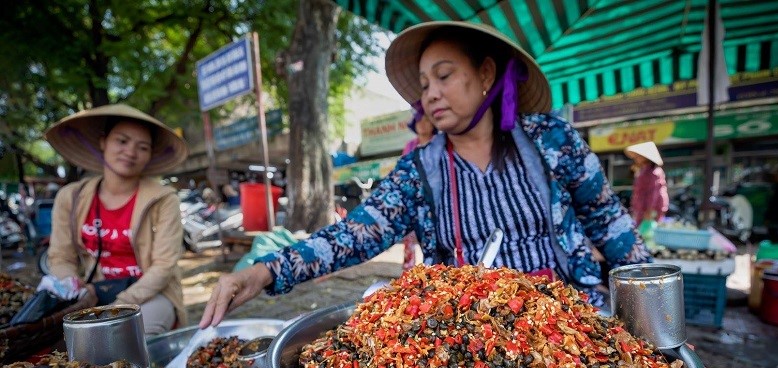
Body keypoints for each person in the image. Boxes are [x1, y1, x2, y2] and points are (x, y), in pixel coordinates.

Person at [200, 21, 650, 328]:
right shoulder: (419, 171)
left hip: (573, 325)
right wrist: (263, 272)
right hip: (468, 333)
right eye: (424, 83)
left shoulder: (552, 140)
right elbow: (355, 234)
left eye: (445, 76)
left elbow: (610, 226)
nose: (431, 94)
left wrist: (653, 316)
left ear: (487, 73)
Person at [45, 103, 189, 335]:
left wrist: (118, 306)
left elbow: (163, 266)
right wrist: (75, 286)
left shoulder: (163, 199)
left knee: (128, 338)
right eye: (122, 141)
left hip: (151, 293)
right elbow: (60, 256)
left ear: (150, 154)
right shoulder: (71, 197)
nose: (131, 152)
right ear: (103, 142)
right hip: (96, 292)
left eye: (142, 147)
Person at [401, 105, 436, 270]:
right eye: (419, 120)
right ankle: (409, 272)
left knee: (432, 241)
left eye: (427, 120)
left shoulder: (438, 145)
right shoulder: (410, 146)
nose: (422, 124)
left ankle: (432, 271)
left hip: (433, 200)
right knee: (409, 236)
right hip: (413, 199)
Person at [624, 141, 669, 226]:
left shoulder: (654, 172)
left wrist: (650, 210)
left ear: (645, 157)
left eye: (638, 156)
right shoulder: (643, 170)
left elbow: (654, 192)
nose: (636, 158)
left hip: (650, 210)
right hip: (642, 209)